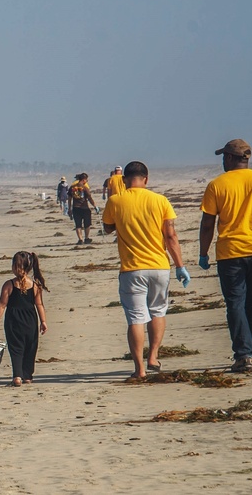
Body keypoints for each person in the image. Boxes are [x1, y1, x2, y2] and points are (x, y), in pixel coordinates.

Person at [199, 139, 252, 373]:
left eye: (223, 158)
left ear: (228, 158)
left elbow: (208, 225)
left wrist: (203, 253)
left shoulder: (217, 185)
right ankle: (249, 349)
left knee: (235, 303)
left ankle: (243, 353)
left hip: (230, 253)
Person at [102, 162, 190, 378]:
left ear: (124, 180)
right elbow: (170, 236)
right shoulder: (161, 201)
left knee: (136, 318)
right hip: (160, 266)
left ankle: (139, 370)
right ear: (146, 179)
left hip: (132, 269)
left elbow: (107, 227)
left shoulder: (115, 201)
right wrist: (180, 266)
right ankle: (153, 356)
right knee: (158, 311)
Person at [0, 251, 48, 386]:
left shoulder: (9, 284)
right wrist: (43, 321)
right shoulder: (34, 285)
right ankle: (27, 376)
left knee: (16, 348)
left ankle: (17, 376)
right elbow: (39, 304)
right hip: (30, 321)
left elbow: (2, 304)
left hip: (13, 321)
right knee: (30, 348)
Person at [67, 173, 99, 244]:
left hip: (76, 208)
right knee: (87, 224)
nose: (87, 181)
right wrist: (95, 206)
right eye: (86, 180)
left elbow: (69, 199)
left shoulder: (72, 187)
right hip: (84, 208)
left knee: (78, 224)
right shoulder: (85, 188)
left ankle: (80, 239)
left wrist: (69, 208)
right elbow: (89, 198)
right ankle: (86, 238)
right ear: (84, 179)